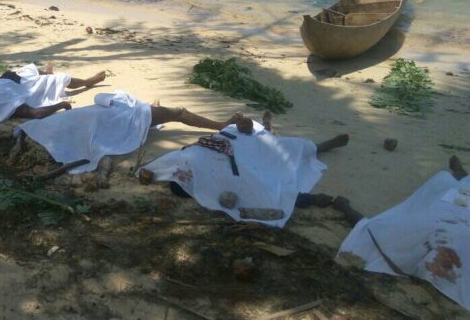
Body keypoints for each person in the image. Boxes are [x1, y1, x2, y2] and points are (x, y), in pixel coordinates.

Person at [137, 111, 349, 227]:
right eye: (184, 179)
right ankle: (320, 146)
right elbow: (258, 189)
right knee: (278, 151)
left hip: (227, 140)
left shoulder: (183, 162)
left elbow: (164, 163)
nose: (183, 176)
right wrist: (308, 199)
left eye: (180, 177)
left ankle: (267, 128)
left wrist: (147, 172)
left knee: (263, 141)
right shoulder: (213, 185)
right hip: (239, 155)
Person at [337, 156, 470, 311]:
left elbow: (375, 232)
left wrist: (345, 208)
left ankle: (461, 178)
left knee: (442, 185)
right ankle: (462, 177)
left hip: (441, 231)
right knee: (445, 185)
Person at [14, 90, 250, 175]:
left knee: (167, 113)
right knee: (178, 112)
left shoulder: (49, 126)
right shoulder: (46, 127)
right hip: (119, 116)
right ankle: (220, 125)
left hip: (108, 115)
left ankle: (218, 124)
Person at [0, 64, 106, 126]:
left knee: (29, 72)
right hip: (13, 83)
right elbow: (36, 114)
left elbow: (34, 113)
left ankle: (46, 73)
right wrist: (61, 105)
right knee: (58, 79)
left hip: (6, 82)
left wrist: (62, 105)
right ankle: (87, 81)